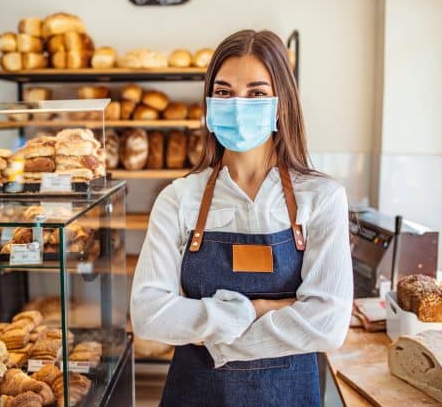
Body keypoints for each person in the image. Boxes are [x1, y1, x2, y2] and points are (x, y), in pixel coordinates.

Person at [130, 29, 353, 407]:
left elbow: (328, 325)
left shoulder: (323, 198)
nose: (237, 105)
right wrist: (258, 309)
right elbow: (149, 316)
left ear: (280, 104)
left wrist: (210, 333)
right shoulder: (179, 199)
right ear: (209, 103)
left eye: (256, 93)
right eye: (223, 92)